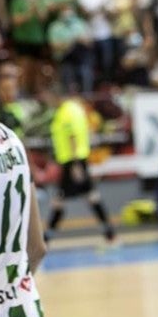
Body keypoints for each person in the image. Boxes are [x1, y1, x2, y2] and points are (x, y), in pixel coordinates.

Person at [43, 90, 116, 244]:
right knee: (90, 196)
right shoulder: (75, 109)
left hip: (72, 162)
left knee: (60, 200)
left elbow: (72, 136)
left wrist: (76, 164)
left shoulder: (66, 112)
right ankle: (109, 233)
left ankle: (46, 238)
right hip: (76, 160)